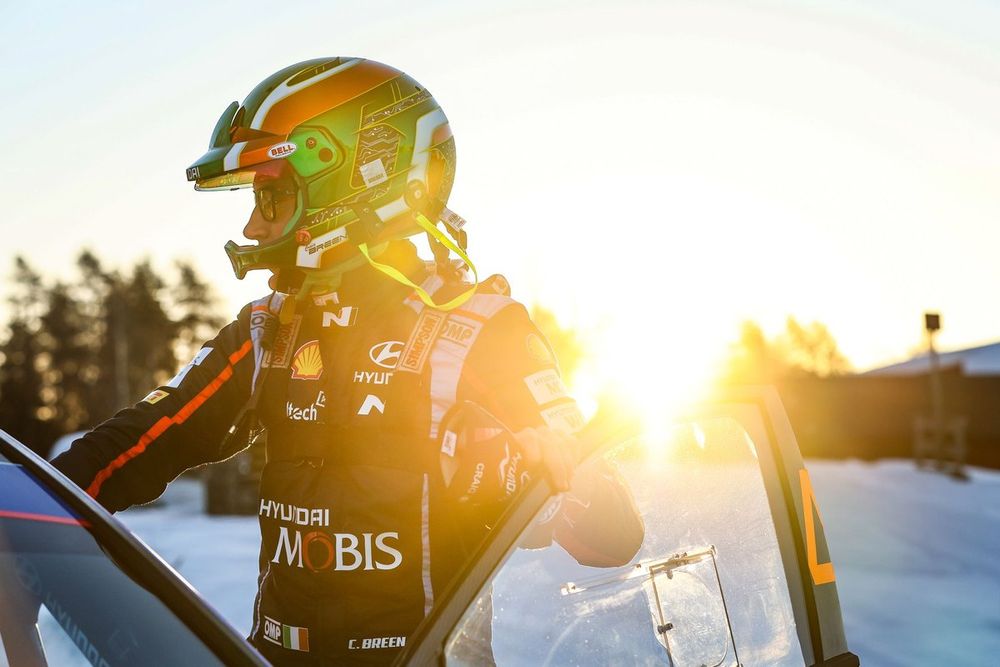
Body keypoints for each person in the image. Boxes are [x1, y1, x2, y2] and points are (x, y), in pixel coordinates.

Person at [54, 57, 642, 665]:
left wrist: (526, 471)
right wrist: (24, 503)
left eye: (273, 195)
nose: (253, 225)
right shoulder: (269, 327)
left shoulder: (480, 329)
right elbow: (141, 441)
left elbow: (615, 534)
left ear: (355, 183)